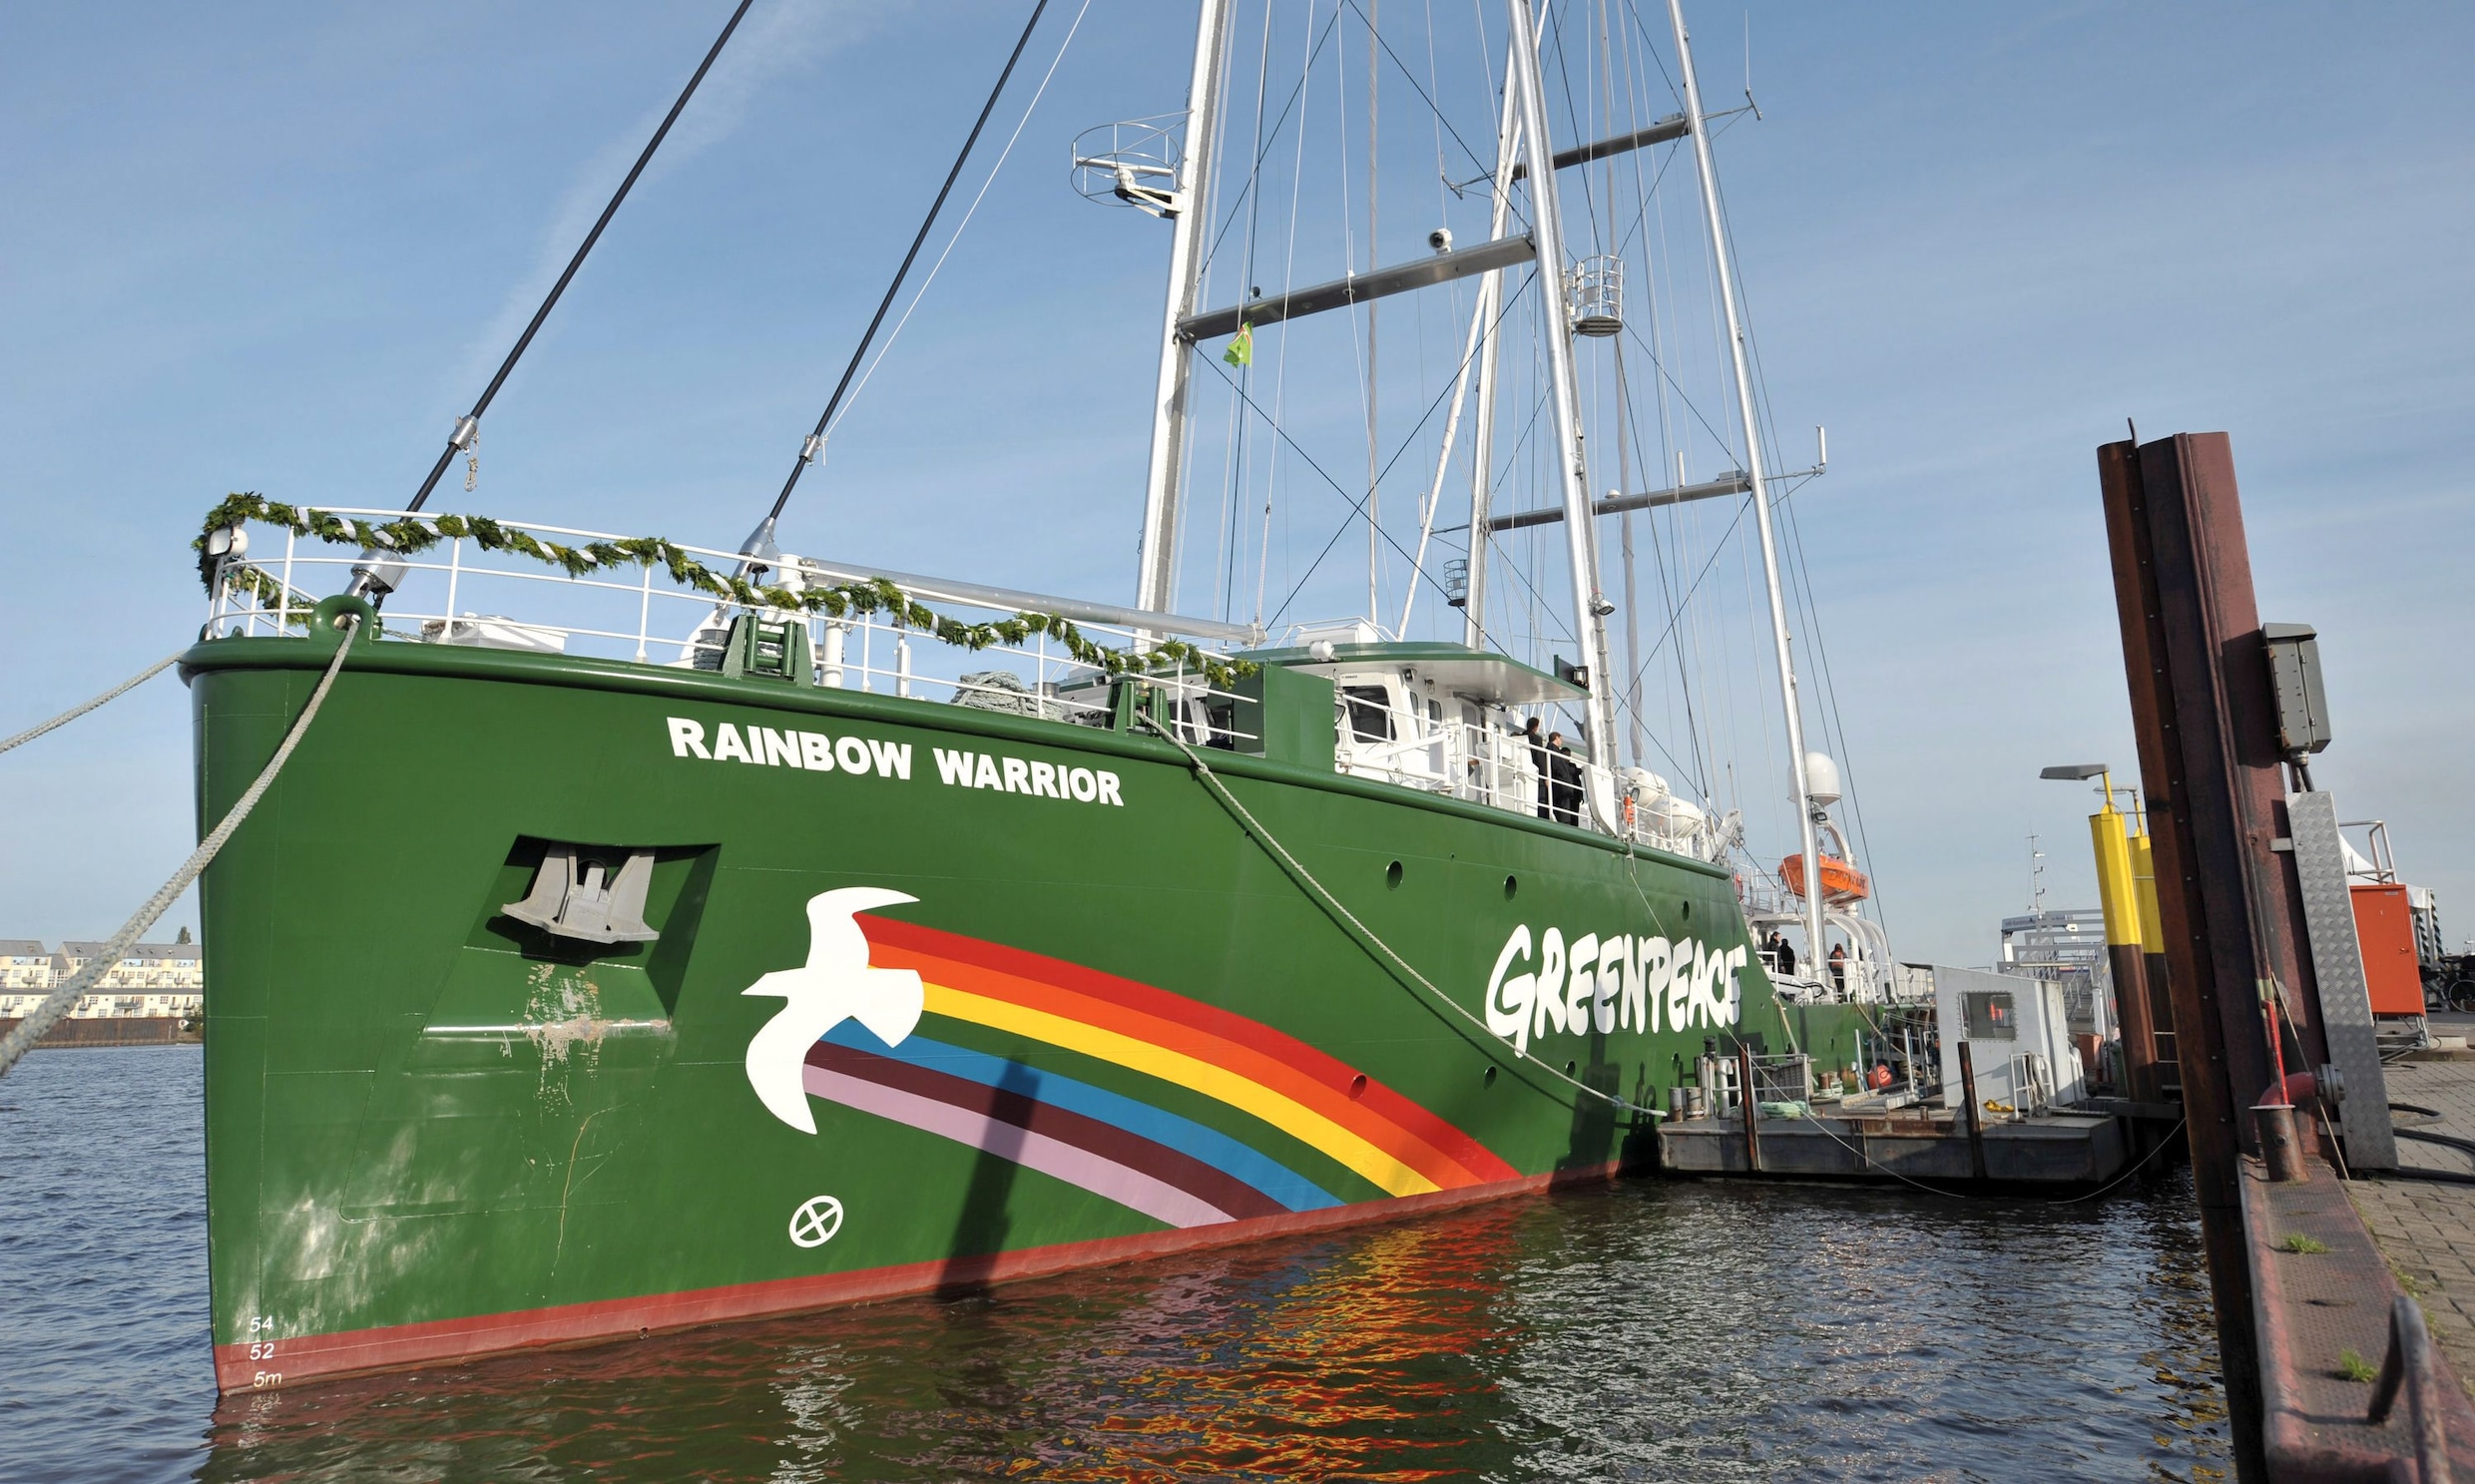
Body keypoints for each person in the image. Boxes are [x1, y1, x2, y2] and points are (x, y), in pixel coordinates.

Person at [1546, 732, 1583, 824]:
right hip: (1561, 787)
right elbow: (1557, 766)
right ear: (1556, 738)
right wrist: (1564, 775)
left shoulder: (1554, 750)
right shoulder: (1553, 749)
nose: (1561, 741)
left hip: (1566, 789)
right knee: (1563, 813)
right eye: (1560, 739)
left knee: (1568, 814)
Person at [1523, 717, 1550, 819]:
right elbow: (1540, 759)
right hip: (1535, 772)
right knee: (1540, 798)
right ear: (1535, 726)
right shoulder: (1536, 739)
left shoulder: (1521, 736)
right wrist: (1545, 776)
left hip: (1523, 769)